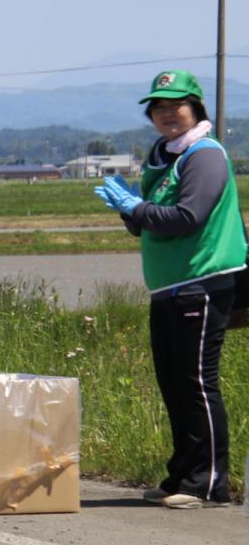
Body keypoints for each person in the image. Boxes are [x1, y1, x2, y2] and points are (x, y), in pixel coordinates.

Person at [95, 70, 246, 509]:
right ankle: (181, 474)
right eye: (158, 107)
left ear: (195, 107)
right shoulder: (164, 156)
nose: (167, 113)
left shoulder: (204, 155)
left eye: (176, 105)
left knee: (197, 383)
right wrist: (130, 212)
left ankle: (208, 482)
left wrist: (137, 208)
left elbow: (187, 217)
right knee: (173, 383)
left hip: (203, 281)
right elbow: (147, 227)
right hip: (168, 287)